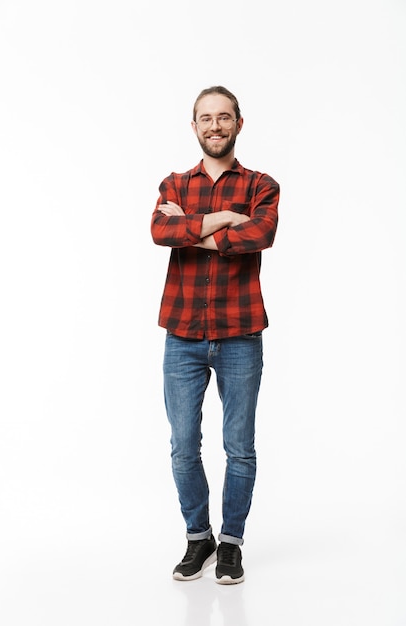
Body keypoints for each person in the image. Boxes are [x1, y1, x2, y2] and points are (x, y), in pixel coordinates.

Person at [150, 86, 280, 584]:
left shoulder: (262, 185)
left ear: (238, 124)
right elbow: (161, 231)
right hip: (181, 333)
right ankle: (197, 536)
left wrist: (195, 228)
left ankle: (230, 543)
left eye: (223, 117)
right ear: (194, 127)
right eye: (206, 118)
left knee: (239, 447)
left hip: (240, 333)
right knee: (183, 445)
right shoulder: (174, 183)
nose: (215, 126)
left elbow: (261, 235)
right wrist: (226, 219)